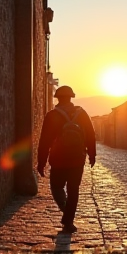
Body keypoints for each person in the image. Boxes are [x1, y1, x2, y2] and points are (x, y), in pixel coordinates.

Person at [37, 85, 96, 233]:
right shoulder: (82, 114)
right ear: (71, 97)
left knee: (56, 188)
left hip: (58, 160)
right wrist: (92, 155)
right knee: (73, 190)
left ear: (57, 98)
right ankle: (68, 220)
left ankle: (66, 213)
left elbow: (45, 141)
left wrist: (41, 162)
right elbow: (90, 135)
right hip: (78, 159)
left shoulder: (51, 115)